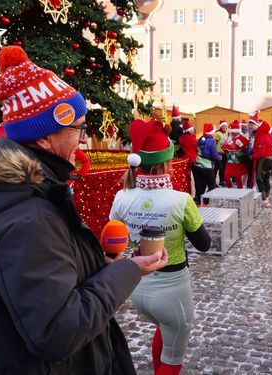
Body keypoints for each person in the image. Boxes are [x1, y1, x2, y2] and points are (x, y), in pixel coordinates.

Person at [0, 45, 168, 374]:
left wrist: (96, 267)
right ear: (46, 138)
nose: (84, 140)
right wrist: (127, 272)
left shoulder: (27, 197)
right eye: (78, 128)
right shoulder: (28, 218)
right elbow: (58, 332)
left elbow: (44, 285)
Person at [110, 119, 211, 375]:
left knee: (165, 331)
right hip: (172, 289)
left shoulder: (122, 196)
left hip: (137, 286)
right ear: (168, 161)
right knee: (173, 356)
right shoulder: (181, 200)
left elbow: (114, 240)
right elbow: (204, 244)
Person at [193, 123, 221, 204]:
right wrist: (220, 157)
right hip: (207, 166)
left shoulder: (200, 139)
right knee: (211, 185)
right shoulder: (211, 141)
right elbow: (214, 155)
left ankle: (198, 200)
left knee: (200, 185)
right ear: (212, 132)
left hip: (197, 165)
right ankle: (206, 201)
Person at [253, 120, 272, 207]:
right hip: (271, 160)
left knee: (260, 179)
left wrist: (253, 156)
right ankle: (267, 197)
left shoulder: (262, 137)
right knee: (266, 179)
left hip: (263, 161)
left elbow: (261, 152)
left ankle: (264, 199)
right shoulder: (271, 136)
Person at [222, 120, 249, 188]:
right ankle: (230, 189)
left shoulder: (242, 138)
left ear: (238, 131)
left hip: (238, 162)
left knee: (238, 178)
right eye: (232, 132)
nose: (233, 134)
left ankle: (240, 192)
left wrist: (241, 145)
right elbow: (226, 148)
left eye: (234, 132)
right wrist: (222, 146)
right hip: (230, 162)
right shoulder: (229, 138)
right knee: (226, 177)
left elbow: (246, 150)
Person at [214, 120, 228, 186]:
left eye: (226, 127)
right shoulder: (218, 133)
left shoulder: (224, 134)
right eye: (224, 127)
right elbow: (214, 143)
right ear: (221, 127)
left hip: (224, 153)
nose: (225, 129)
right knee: (218, 168)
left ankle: (222, 181)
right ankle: (213, 182)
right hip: (218, 153)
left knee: (222, 168)